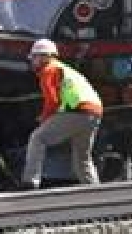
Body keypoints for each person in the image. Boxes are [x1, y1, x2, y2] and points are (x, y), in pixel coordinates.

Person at [21, 38, 102, 190]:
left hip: (77, 111)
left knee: (37, 138)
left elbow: (52, 101)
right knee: (82, 157)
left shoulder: (48, 70)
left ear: (44, 56)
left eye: (34, 57)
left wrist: (44, 119)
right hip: (94, 112)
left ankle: (30, 182)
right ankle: (94, 189)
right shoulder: (64, 69)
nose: (32, 61)